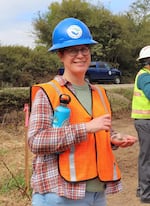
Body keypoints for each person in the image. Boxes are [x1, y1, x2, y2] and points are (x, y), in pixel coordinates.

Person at [28, 17, 137, 206]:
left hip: (97, 192)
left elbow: (98, 132)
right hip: (61, 194)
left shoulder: (99, 93)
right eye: (72, 50)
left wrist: (113, 138)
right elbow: (36, 141)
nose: (80, 55)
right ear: (60, 55)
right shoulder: (48, 92)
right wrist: (85, 128)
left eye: (84, 49)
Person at [131, 45, 150, 204]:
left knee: (146, 157)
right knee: (147, 158)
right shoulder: (145, 76)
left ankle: (141, 190)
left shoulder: (145, 75)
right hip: (146, 123)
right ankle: (146, 194)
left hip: (144, 122)